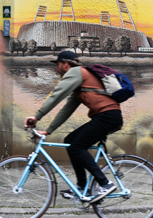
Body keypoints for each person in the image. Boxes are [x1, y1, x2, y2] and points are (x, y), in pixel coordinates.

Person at [24, 51, 122, 203]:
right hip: (106, 117)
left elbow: (56, 95)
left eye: (58, 64)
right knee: (70, 141)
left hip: (107, 117)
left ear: (66, 64)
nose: (56, 68)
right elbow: (67, 109)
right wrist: (49, 130)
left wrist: (37, 117)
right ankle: (82, 187)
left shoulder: (76, 72)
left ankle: (105, 183)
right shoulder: (80, 84)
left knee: (77, 147)